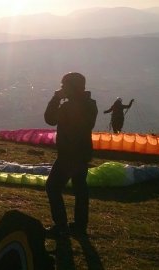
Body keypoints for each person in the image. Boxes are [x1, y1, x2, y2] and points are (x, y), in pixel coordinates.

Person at [44, 72, 98, 238]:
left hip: (68, 155)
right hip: (83, 153)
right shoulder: (90, 105)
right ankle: (80, 226)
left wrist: (55, 98)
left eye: (64, 86)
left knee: (52, 187)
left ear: (71, 87)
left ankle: (61, 226)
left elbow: (50, 119)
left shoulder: (69, 107)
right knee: (80, 189)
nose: (62, 89)